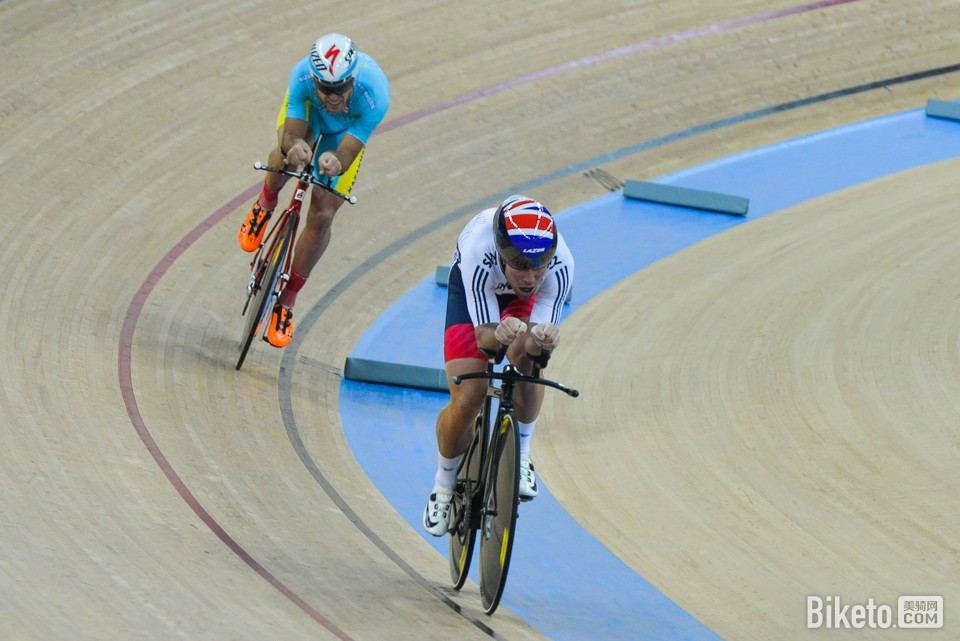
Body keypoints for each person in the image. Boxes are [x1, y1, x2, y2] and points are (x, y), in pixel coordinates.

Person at [423, 195, 574, 536]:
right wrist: (499, 334)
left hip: (522, 307)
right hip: (474, 292)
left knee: (529, 365)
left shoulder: (561, 263)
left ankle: (521, 454)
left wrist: (541, 342)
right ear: (501, 251)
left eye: (539, 264)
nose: (530, 275)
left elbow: (536, 349)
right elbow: (484, 339)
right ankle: (443, 485)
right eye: (519, 264)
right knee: (468, 397)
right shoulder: (479, 248)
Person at [239, 33, 390, 347]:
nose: (334, 98)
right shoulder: (302, 76)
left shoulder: (376, 93)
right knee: (285, 159)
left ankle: (288, 300)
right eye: (326, 89)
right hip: (309, 116)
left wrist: (336, 160)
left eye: (341, 89)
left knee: (322, 212)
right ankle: (265, 204)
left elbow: (348, 152)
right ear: (315, 79)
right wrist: (295, 147)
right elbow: (291, 134)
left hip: (344, 134)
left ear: (354, 78)